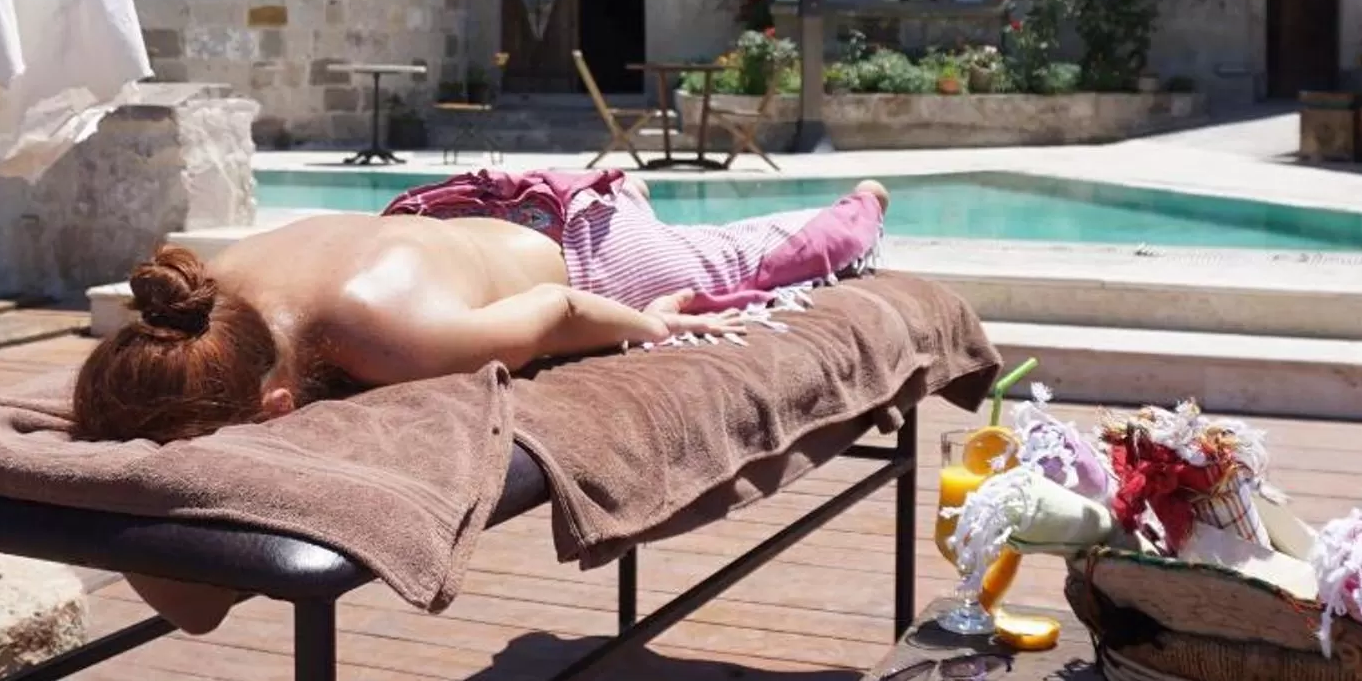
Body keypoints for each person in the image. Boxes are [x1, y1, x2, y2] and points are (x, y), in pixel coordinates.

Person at [70, 171, 890, 443]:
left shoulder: (391, 337)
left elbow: (561, 310)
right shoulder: (204, 294)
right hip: (447, 214)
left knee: (774, 254)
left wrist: (656, 325)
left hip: (580, 242)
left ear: (276, 405)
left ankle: (864, 201)